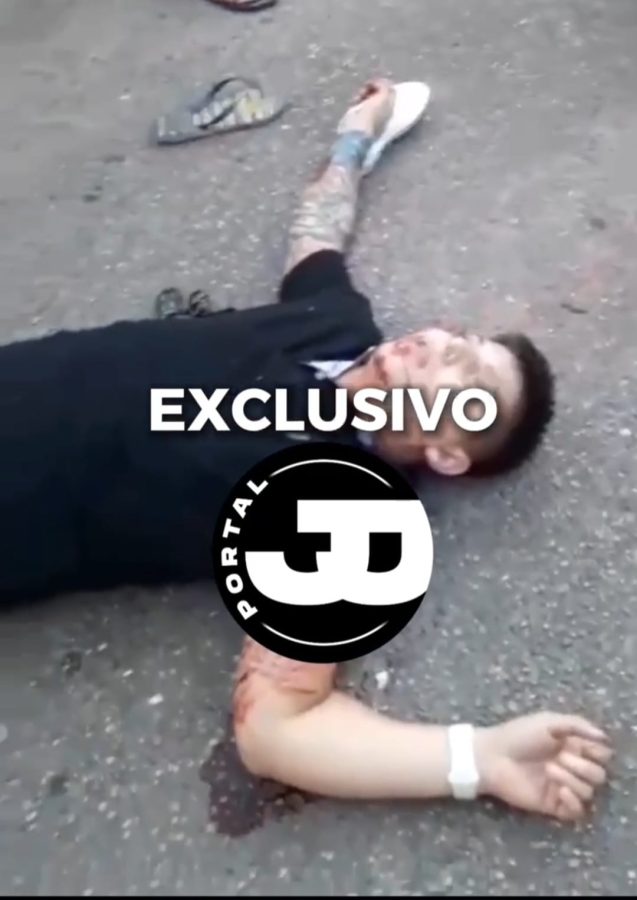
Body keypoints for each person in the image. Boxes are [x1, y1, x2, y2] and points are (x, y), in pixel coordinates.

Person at [0, 78, 611, 820]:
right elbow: (317, 233)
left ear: (448, 453)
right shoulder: (335, 325)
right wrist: (360, 132)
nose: (440, 344)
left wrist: (475, 759)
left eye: (468, 378)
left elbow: (277, 732)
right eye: (462, 338)